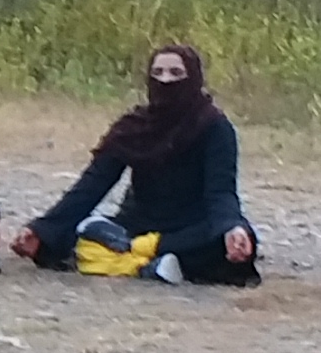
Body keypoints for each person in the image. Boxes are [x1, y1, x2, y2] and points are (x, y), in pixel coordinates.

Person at [15, 43, 257, 284]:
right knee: (58, 239)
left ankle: (132, 256)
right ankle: (146, 263)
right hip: (137, 223)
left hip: (190, 226)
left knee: (229, 245)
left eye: (176, 73)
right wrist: (41, 229)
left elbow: (221, 193)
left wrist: (232, 228)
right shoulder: (133, 127)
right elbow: (91, 186)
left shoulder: (214, 127)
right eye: (158, 73)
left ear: (193, 78)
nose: (166, 80)